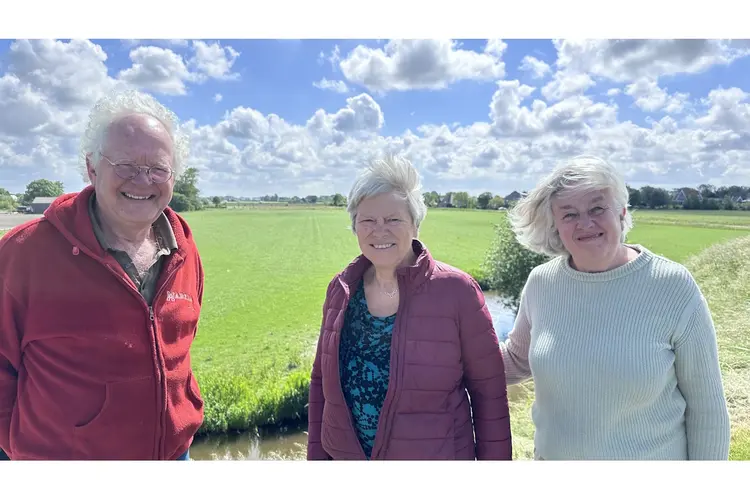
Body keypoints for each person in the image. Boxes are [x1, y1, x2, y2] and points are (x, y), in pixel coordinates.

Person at [0, 89, 205, 460]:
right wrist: (18, 450)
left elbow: (179, 349)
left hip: (174, 457)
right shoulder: (24, 253)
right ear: (92, 168)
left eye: (158, 168)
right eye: (125, 165)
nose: (143, 181)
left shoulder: (184, 250)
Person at [501, 155, 731, 460]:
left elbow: (708, 410)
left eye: (597, 208)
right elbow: (517, 359)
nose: (585, 223)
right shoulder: (541, 283)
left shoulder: (672, 286)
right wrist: (432, 360)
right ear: (555, 224)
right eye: (569, 214)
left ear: (622, 212)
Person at [307, 155, 512, 460]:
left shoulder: (458, 291)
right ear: (355, 227)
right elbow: (322, 386)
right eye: (368, 220)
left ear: (415, 224)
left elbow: (489, 397)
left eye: (393, 219)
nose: (380, 231)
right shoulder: (341, 289)